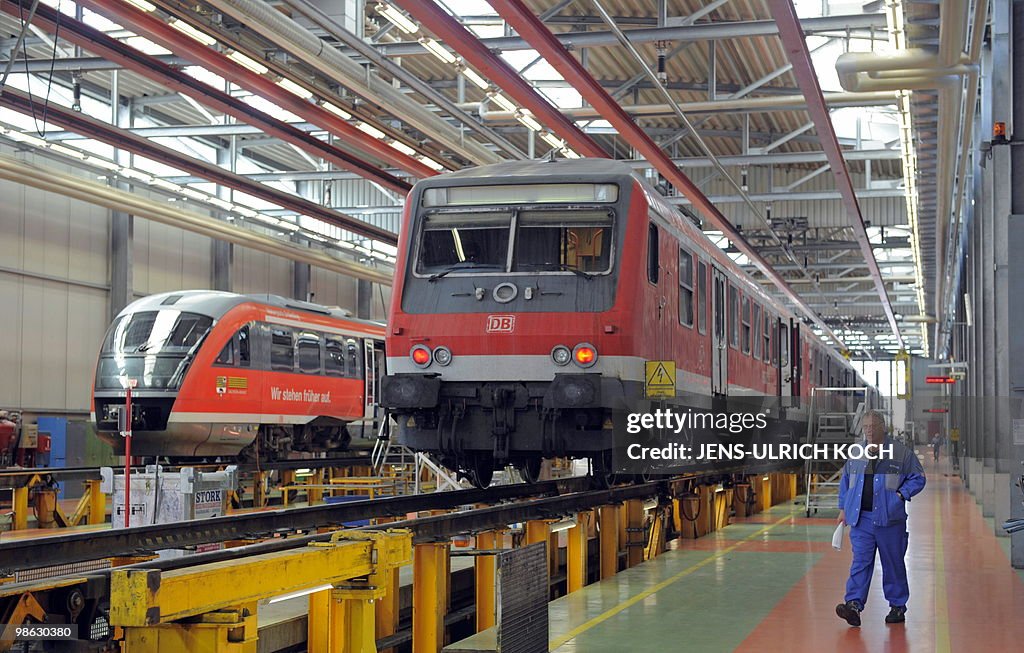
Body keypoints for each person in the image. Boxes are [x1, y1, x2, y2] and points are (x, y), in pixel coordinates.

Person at [835, 410, 926, 627]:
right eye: (865, 427)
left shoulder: (901, 453)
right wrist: (843, 508)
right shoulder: (856, 452)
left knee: (893, 563)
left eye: (872, 426)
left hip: (889, 520)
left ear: (882, 427)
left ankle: (897, 606)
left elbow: (918, 478)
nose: (868, 430)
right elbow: (846, 481)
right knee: (860, 563)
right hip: (861, 519)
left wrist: (901, 495)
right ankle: (853, 605)